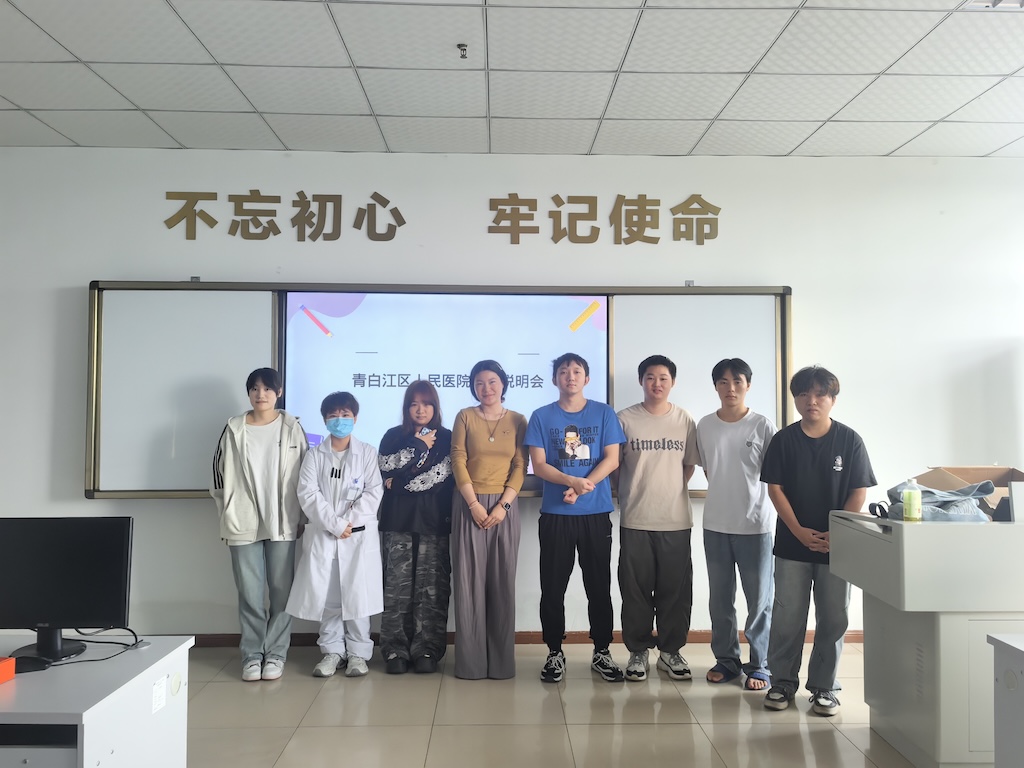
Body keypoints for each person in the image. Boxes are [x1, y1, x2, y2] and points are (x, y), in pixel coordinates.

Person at [760, 365, 875, 716]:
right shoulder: (784, 440)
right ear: (795, 399)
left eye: (820, 394)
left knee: (834, 617)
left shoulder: (849, 440)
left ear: (832, 400)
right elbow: (775, 489)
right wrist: (797, 530)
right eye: (804, 394)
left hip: (836, 546)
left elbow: (859, 491)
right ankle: (782, 683)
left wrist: (836, 531)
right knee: (787, 616)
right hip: (792, 545)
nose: (812, 400)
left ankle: (825, 687)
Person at [526, 353, 627, 684]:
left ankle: (602, 651)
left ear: (587, 378)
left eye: (576, 371)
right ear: (555, 379)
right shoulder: (541, 416)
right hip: (556, 515)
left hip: (595, 514)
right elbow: (540, 464)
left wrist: (584, 487)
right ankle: (554, 652)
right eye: (563, 371)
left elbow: (612, 459)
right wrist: (571, 481)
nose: (570, 376)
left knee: (598, 586)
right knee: (552, 587)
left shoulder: (604, 413)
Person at [211, 367, 307, 682]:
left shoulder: (292, 428)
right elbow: (218, 474)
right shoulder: (234, 428)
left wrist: (302, 517)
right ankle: (252, 655)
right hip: (242, 519)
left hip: (282, 520)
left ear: (279, 393)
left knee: (282, 593)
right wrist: (227, 511)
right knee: (249, 594)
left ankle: (276, 654)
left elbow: (305, 474)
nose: (260, 394)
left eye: (267, 388)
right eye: (254, 388)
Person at [285, 391, 384, 679]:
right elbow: (308, 493)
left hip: (357, 535)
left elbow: (373, 492)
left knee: (358, 597)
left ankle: (358, 654)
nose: (339, 420)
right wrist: (334, 524)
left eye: (345, 415)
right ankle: (332, 652)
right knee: (328, 598)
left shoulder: (367, 453)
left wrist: (347, 523)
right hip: (326, 535)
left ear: (355, 418)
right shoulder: (314, 455)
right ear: (325, 420)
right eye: (333, 415)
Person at [615, 355, 700, 683]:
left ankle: (670, 651)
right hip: (636, 518)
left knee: (675, 591)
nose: (657, 383)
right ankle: (637, 652)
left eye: (663, 378)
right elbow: (614, 466)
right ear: (641, 381)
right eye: (650, 377)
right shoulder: (624, 419)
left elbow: (688, 466)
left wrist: (668, 490)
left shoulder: (684, 419)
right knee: (635, 591)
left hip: (675, 520)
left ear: (672, 382)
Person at [696, 358, 778, 691]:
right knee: (720, 600)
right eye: (723, 382)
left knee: (759, 601)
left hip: (755, 525)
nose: (730, 388)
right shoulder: (705, 425)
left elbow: (774, 476)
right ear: (715, 386)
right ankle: (727, 661)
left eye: (737, 382)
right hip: (716, 523)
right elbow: (708, 470)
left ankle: (760, 664)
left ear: (748, 385)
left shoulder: (762, 425)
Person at [450, 360, 528, 679]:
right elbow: (458, 458)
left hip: (504, 508)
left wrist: (503, 506)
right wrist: (473, 504)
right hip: (469, 505)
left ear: (503, 384)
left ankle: (501, 664)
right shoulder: (465, 416)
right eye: (479, 383)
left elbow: (520, 465)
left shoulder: (518, 420)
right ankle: (470, 665)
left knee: (502, 584)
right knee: (469, 586)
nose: (487, 388)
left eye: (492, 381)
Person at [377, 380, 454, 674]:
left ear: (435, 406)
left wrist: (398, 484)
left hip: (434, 522)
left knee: (431, 589)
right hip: (397, 522)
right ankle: (394, 650)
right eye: (414, 404)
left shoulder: (447, 438)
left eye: (426, 403)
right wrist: (419, 446)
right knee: (396, 589)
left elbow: (438, 477)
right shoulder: (392, 436)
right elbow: (384, 468)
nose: (420, 410)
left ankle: (427, 649)